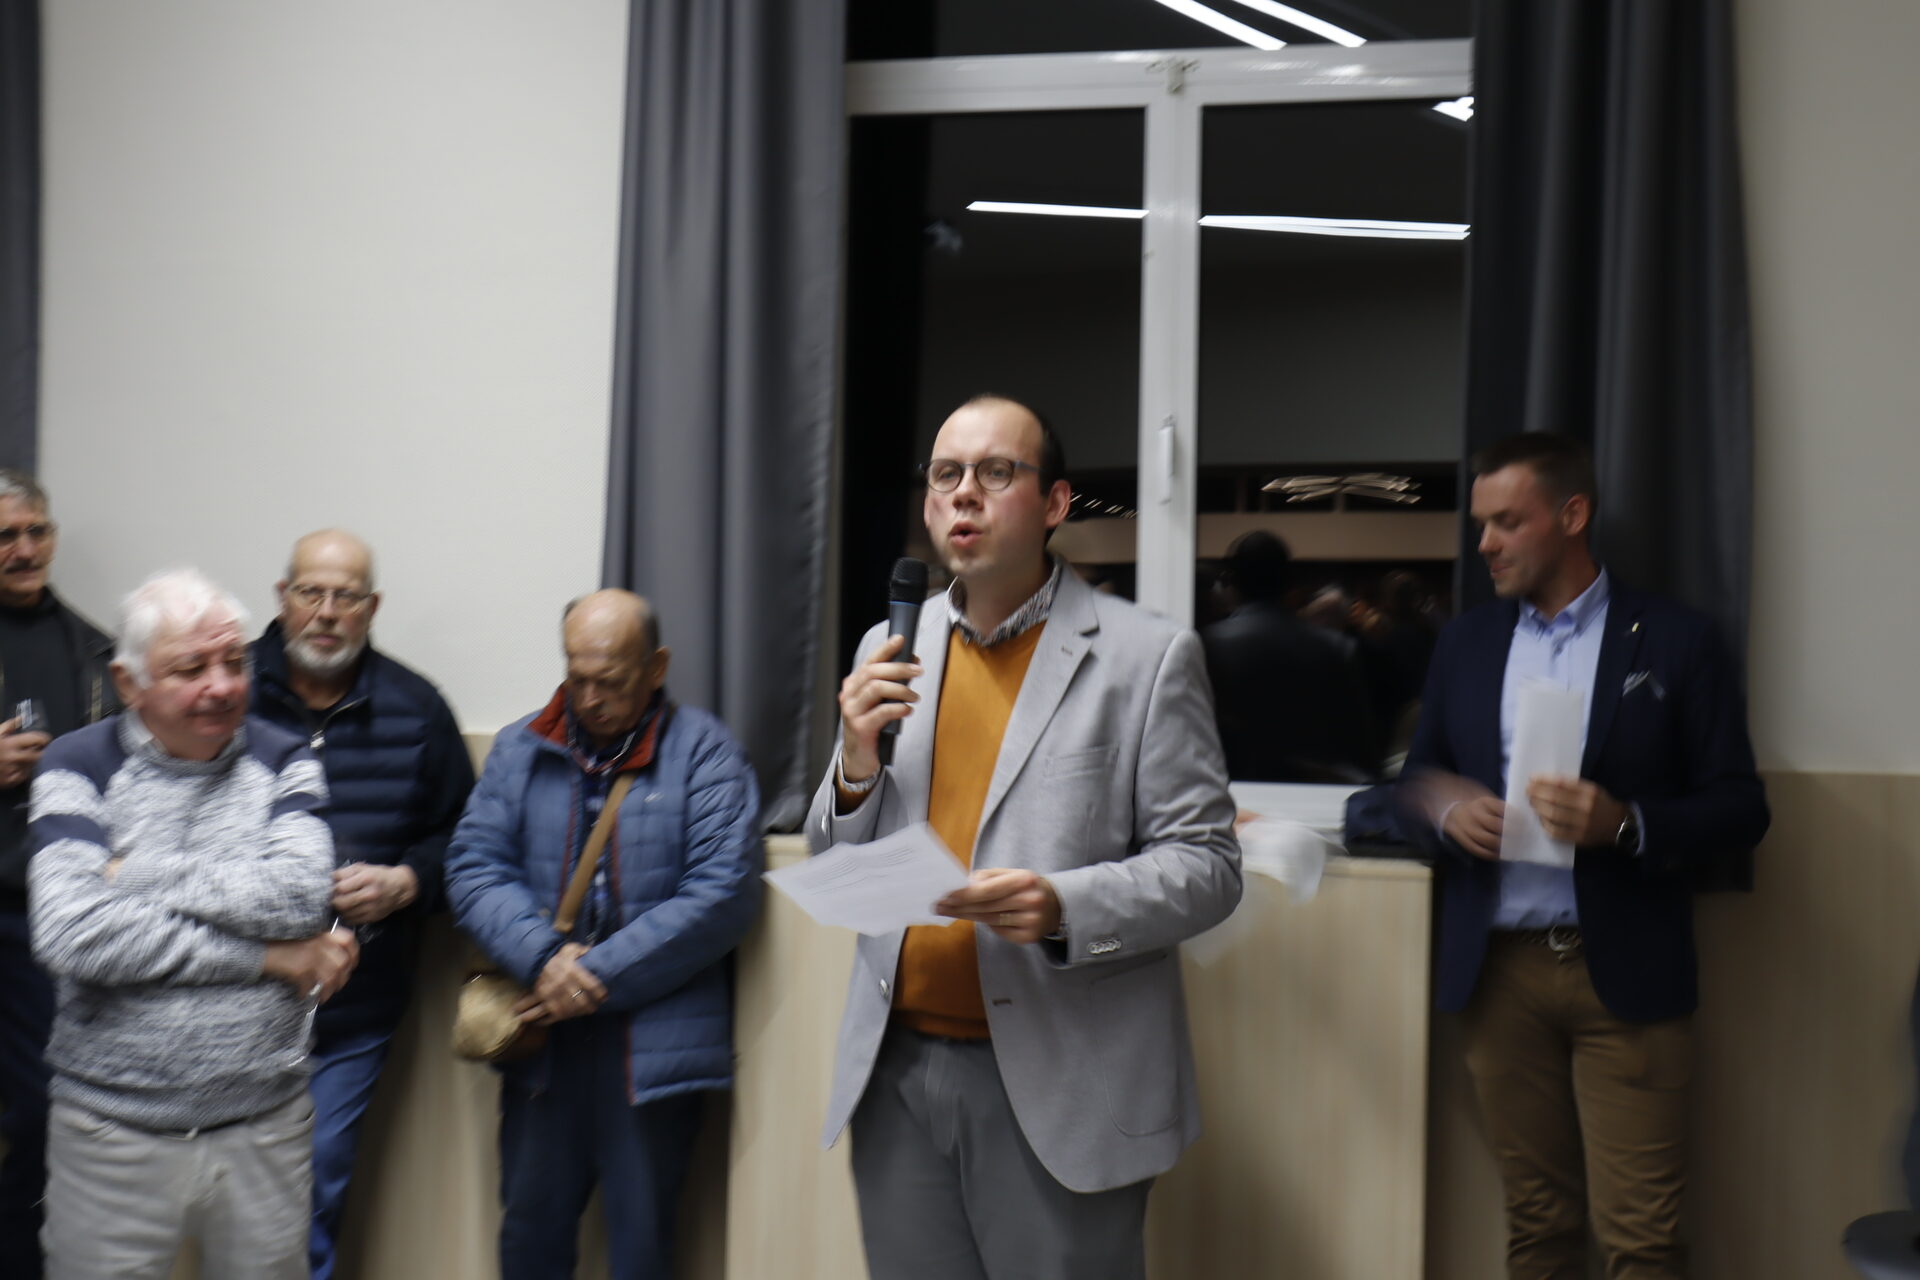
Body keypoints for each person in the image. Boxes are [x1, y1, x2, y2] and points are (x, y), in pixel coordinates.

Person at [811, 393, 1242, 1280]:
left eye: (995, 472)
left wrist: (1062, 906)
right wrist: (854, 760)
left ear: (1054, 504)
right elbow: (838, 857)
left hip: (1063, 1082)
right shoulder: (889, 647)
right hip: (896, 1072)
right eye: (946, 474)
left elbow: (1208, 867)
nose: (963, 493)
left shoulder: (1146, 656)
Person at [1399, 433, 1769, 1278]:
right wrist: (1445, 808)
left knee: (1642, 1239)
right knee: (1538, 1226)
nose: (1484, 543)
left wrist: (1625, 824)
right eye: (1481, 524)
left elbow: (1741, 807)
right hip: (1499, 975)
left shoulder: (1675, 639)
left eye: (1507, 522)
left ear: (1572, 515)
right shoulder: (1466, 642)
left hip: (1626, 972)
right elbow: (1412, 782)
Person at [28, 568, 357, 1279]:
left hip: (265, 1128)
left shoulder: (284, 759)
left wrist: (134, 872)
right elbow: (73, 932)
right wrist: (268, 959)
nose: (222, 685)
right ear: (129, 682)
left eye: (234, 661)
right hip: (111, 1131)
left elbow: (300, 899)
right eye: (191, 668)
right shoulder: (76, 764)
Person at [445, 589, 762, 1280]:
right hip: (541, 1049)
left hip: (651, 1052)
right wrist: (542, 958)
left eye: (610, 680)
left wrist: (592, 977)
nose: (590, 698)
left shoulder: (705, 752)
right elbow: (472, 867)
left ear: (656, 667)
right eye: (576, 677)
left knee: (642, 1248)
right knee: (529, 1240)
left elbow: (723, 894)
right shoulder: (521, 748)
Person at [248, 530, 475, 1280]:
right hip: (230, 996)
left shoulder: (418, 708)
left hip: (353, 1005)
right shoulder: (223, 691)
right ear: (282, 598)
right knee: (226, 1197)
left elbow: (464, 838)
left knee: (314, 1185)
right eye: (310, 592)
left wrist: (407, 883)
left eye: (345, 597)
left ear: (371, 608)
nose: (326, 612)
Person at [0, 471, 117, 1278]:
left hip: (46, 919)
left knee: (48, 1111)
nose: (24, 549)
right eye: (6, 536)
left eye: (36, 531)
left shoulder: (97, 652)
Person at [1199, 529, 1378, 782]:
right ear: (1288, 583)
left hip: (1232, 790)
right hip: (1317, 793)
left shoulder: (1207, 645)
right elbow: (1358, 744)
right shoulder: (1336, 647)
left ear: (1232, 582)